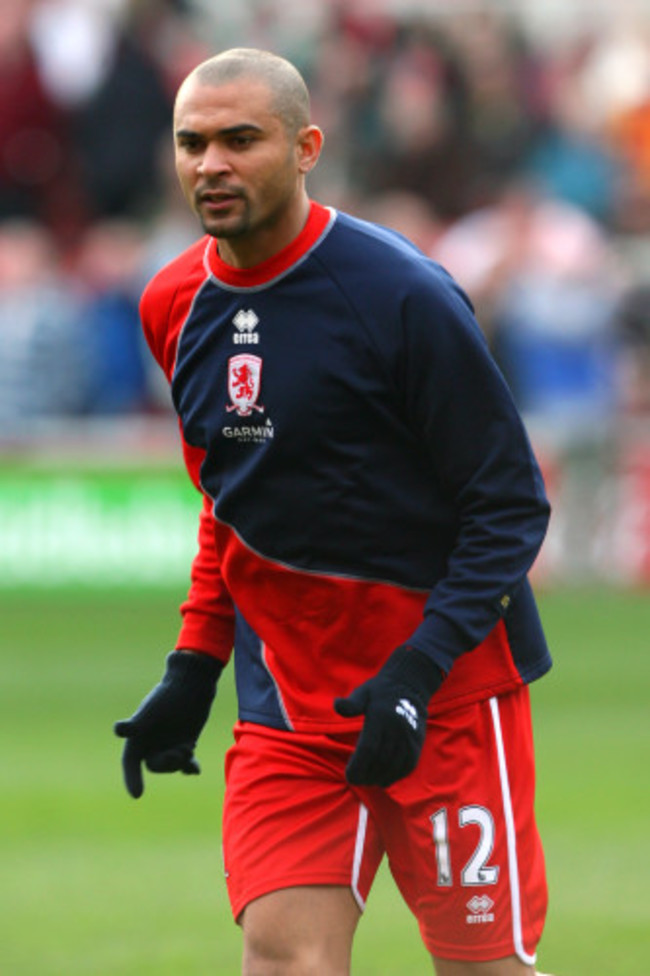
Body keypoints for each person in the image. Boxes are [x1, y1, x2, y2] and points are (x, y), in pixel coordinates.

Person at [114, 48, 556, 976]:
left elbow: (509, 506)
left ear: (307, 147)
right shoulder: (171, 304)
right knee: (284, 960)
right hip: (287, 709)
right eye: (192, 144)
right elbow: (231, 503)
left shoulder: (402, 296)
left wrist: (420, 669)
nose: (212, 165)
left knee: (482, 969)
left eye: (241, 140)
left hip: (447, 697)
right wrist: (194, 665)